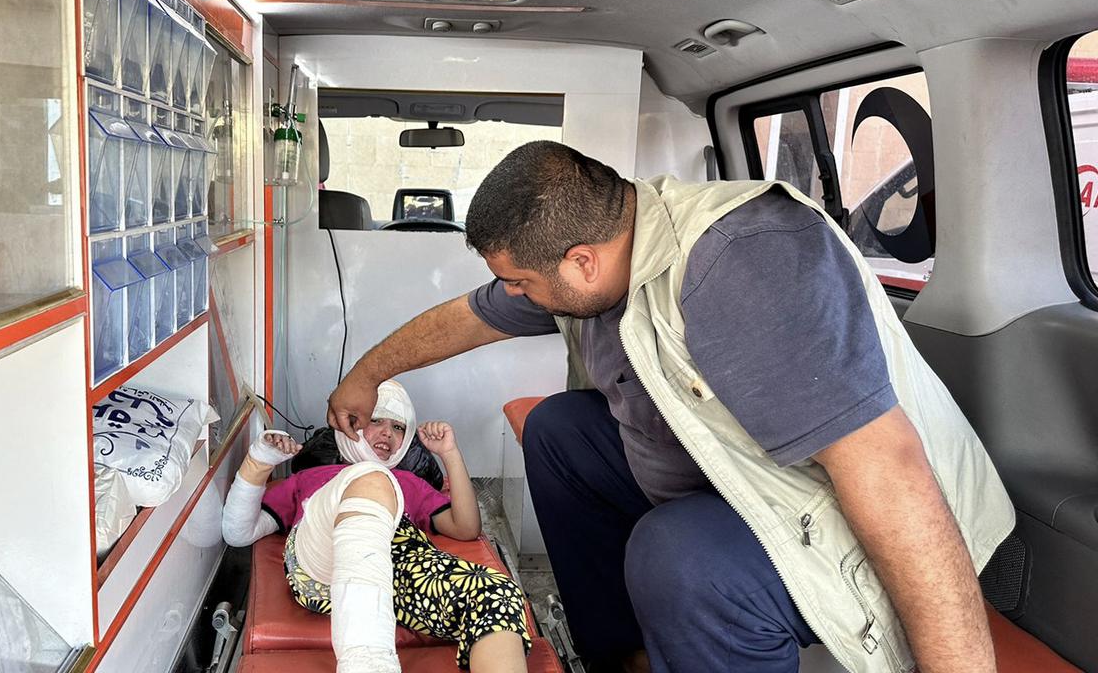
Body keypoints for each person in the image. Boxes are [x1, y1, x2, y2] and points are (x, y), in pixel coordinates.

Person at [326, 142, 1014, 673]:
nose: (516, 298)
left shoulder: (741, 265)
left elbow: (891, 474)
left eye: (522, 284)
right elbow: (469, 319)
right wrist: (366, 374)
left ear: (582, 262)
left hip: (857, 513)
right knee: (560, 432)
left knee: (680, 556)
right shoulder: (609, 249)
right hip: (734, 477)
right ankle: (623, 657)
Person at [223, 380, 531, 673]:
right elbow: (238, 532)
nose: (387, 433)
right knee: (371, 477)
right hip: (321, 564)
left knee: (498, 593)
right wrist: (260, 460)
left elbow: (466, 527)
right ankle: (367, 662)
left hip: (398, 571)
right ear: (351, 424)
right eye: (376, 421)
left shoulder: (408, 482)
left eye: (398, 427)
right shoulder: (310, 479)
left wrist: (450, 454)